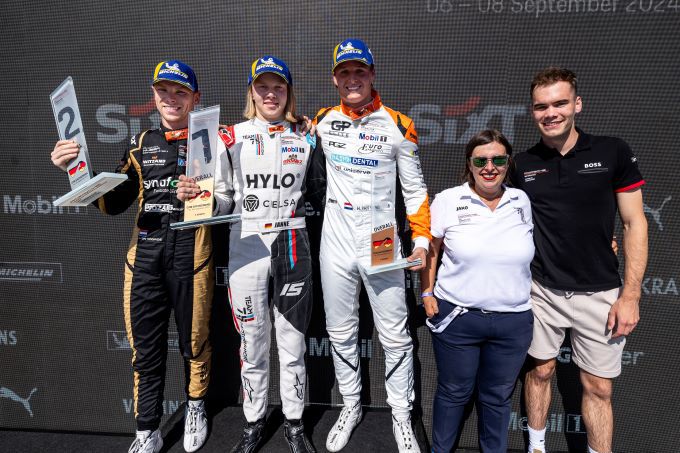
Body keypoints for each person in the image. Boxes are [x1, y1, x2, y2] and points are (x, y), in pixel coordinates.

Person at [51, 60, 212, 453]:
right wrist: (76, 171)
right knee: (145, 348)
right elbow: (114, 203)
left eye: (180, 92)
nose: (171, 99)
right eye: (164, 92)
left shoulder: (213, 138)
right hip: (145, 257)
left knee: (195, 341)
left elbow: (232, 193)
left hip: (192, 253)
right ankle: (147, 431)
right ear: (154, 97)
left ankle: (195, 407)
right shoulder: (142, 144)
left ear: (195, 98)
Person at [179, 55, 317, 453]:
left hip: (293, 248)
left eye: (278, 87)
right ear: (252, 92)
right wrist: (200, 198)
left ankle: (294, 422)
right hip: (246, 249)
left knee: (292, 343)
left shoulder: (307, 136)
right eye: (263, 86)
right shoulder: (229, 136)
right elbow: (220, 199)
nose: (270, 94)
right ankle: (254, 421)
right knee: (252, 343)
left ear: (288, 93)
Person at [512, 67, 648, 453]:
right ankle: (536, 448)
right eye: (541, 106)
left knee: (598, 387)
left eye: (559, 103)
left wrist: (631, 295)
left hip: (601, 292)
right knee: (539, 373)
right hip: (541, 290)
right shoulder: (522, 164)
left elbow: (635, 222)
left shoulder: (612, 151)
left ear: (577, 104)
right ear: (533, 111)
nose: (550, 113)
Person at [309, 38, 430, 453]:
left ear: (372, 75)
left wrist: (423, 241)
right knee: (340, 331)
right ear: (335, 79)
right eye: (345, 72)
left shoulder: (398, 124)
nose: (353, 78)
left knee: (394, 334)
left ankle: (401, 415)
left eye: (360, 71)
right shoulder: (321, 121)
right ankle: (351, 405)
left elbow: (414, 192)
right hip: (336, 239)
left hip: (381, 239)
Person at [420, 130, 535, 453]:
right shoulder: (448, 200)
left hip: (513, 322)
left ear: (508, 163)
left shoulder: (521, 200)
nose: (490, 167)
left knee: (498, 397)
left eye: (498, 159)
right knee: (454, 392)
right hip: (458, 318)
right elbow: (431, 250)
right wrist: (427, 294)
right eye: (480, 160)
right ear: (469, 164)